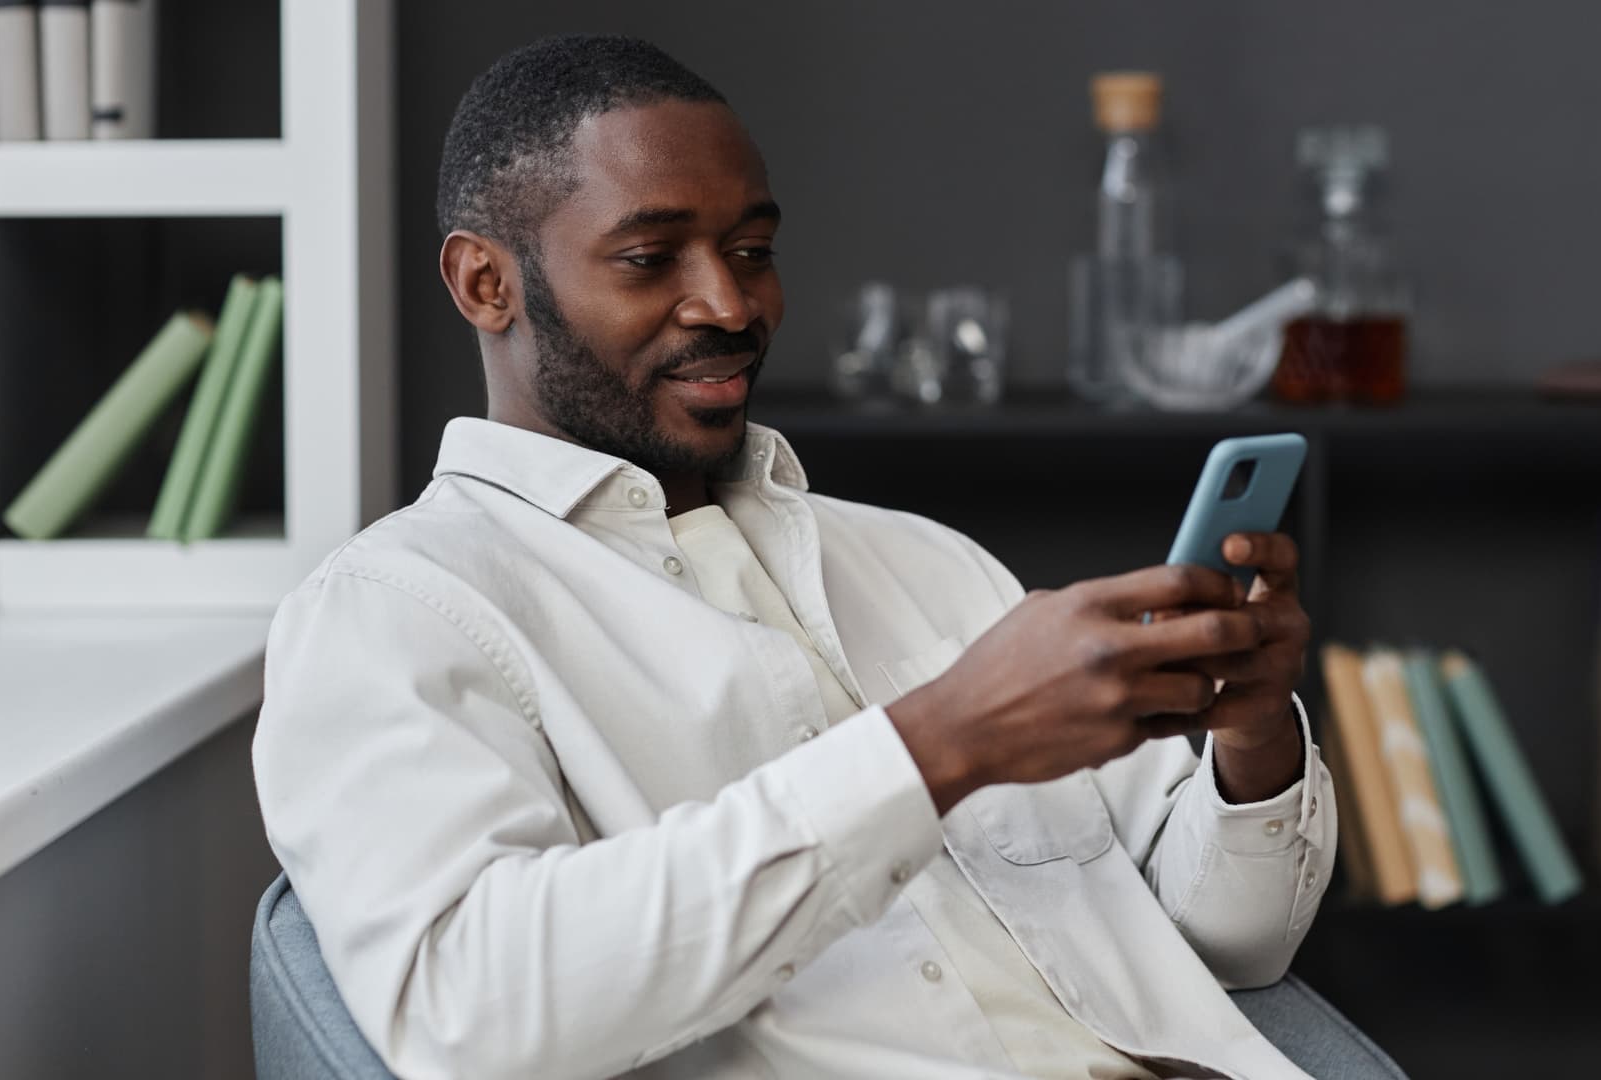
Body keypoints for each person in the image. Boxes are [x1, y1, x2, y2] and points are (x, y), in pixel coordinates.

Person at [253, 34, 1338, 1080]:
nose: (730, 304)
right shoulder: (394, 613)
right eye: (649, 259)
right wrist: (941, 743)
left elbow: (1236, 944)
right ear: (486, 283)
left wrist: (1248, 737)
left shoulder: (928, 564)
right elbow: (470, 1012)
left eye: (752, 252)